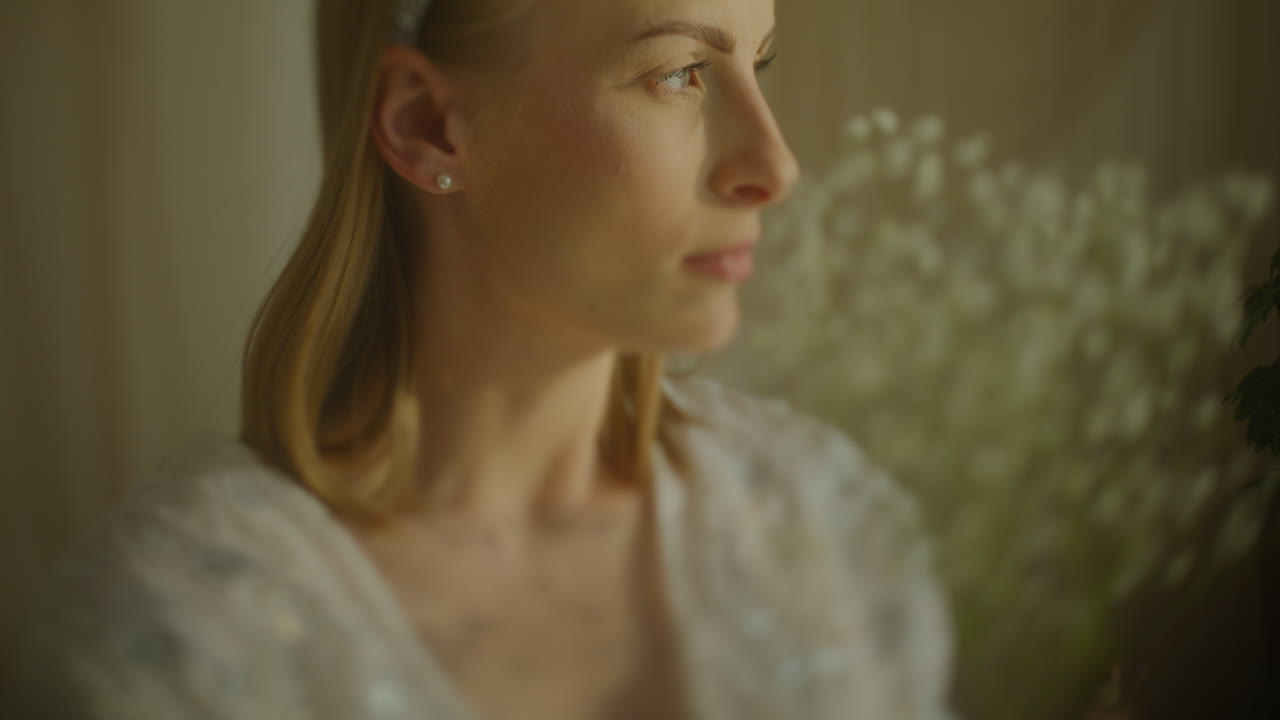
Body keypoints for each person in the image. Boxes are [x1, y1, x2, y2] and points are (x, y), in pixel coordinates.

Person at [19, 0, 958, 718]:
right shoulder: (184, 632)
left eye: (759, 63)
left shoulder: (813, 520)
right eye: (680, 73)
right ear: (428, 124)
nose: (775, 165)